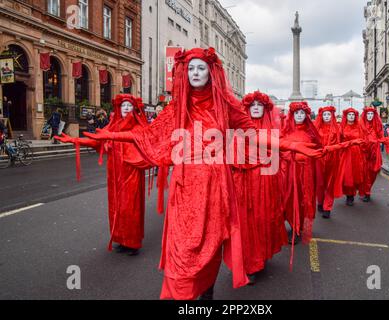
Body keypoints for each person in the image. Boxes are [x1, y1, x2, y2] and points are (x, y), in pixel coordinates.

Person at [83, 48, 321, 300]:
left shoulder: (226, 104)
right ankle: (185, 292)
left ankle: (206, 292)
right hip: (184, 186)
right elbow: (146, 135)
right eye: (191, 68)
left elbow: (255, 134)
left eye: (201, 68)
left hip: (215, 185)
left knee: (211, 243)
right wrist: (107, 135)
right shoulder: (177, 106)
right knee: (183, 247)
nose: (195, 73)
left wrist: (289, 145)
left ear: (211, 72)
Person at [56, 94, 149, 256]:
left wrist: (111, 136)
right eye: (123, 105)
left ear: (134, 108)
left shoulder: (138, 126)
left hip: (131, 172)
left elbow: (135, 138)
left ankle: (133, 242)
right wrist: (74, 140)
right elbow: (96, 140)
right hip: (115, 173)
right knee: (116, 207)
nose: (126, 108)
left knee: (130, 207)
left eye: (129, 105)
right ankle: (121, 239)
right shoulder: (113, 125)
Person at [232, 91, 288, 285]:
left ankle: (260, 255)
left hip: (265, 182)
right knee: (245, 224)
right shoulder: (237, 129)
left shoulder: (272, 131)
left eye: (259, 105)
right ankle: (250, 263)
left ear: (265, 108)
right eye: (252, 104)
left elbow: (278, 159)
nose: (255, 107)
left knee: (263, 220)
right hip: (243, 182)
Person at [281, 101, 323, 247]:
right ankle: (292, 224)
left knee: (302, 199)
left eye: (302, 113)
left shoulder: (311, 133)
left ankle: (297, 229)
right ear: (292, 115)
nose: (299, 115)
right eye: (296, 113)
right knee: (287, 199)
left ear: (306, 115)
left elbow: (319, 149)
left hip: (305, 173)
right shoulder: (285, 131)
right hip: (287, 172)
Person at [340, 108, 367, 206]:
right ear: (346, 116)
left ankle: (351, 195)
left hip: (356, 153)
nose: (351, 116)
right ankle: (348, 195)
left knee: (355, 174)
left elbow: (363, 140)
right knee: (347, 174)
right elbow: (339, 141)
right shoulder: (342, 127)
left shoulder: (359, 127)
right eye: (349, 114)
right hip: (346, 153)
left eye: (352, 115)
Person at [359, 107, 384, 202]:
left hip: (374, 154)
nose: (370, 116)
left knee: (373, 173)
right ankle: (366, 192)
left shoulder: (377, 125)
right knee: (365, 174)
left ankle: (367, 191)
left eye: (371, 114)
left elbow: (381, 137)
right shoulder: (361, 125)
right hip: (364, 153)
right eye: (368, 114)